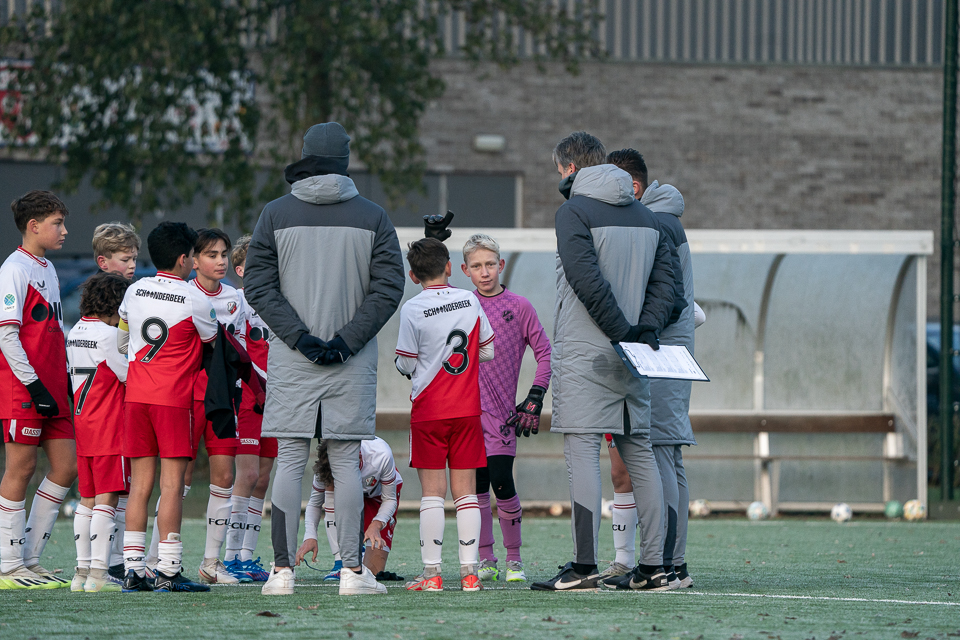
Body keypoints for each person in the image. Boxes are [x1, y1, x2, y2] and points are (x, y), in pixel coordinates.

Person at [244, 121, 405, 596]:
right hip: (349, 361)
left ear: (306, 156)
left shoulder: (274, 213)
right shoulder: (374, 216)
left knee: (291, 460)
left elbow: (257, 285)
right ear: (345, 161)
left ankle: (281, 573)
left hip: (294, 358)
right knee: (346, 461)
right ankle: (353, 573)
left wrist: (299, 337)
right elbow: (389, 287)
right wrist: (346, 340)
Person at [532, 131, 676, 592]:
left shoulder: (572, 212)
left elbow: (585, 280)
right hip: (636, 356)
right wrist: (643, 331)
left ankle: (583, 565)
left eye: (559, 172)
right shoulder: (647, 216)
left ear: (570, 168)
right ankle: (654, 568)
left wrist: (619, 330)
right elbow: (665, 285)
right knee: (641, 456)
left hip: (586, 355)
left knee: (582, 457)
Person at [605, 148, 701, 589]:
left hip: (661, 351)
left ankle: (663, 564)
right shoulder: (666, 219)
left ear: (635, 188)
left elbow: (665, 295)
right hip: (672, 351)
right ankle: (674, 563)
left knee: (660, 450)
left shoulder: (656, 223)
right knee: (670, 454)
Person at [118, 221, 216, 593]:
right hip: (173, 399)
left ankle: (133, 570)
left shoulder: (136, 289)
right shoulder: (195, 298)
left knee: (140, 485)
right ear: (182, 258)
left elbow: (124, 339)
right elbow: (211, 342)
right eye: (192, 255)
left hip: (137, 395)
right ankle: (171, 571)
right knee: (172, 485)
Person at [395, 238, 495, 592]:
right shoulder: (469, 299)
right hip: (466, 409)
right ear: (450, 266)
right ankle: (470, 574)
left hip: (429, 411)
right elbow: (487, 350)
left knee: (432, 495)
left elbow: (405, 362)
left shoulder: (411, 308)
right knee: (466, 494)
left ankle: (432, 574)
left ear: (412, 275)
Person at [459, 233, 551, 583]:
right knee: (477, 485)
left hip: (502, 415)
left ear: (501, 265)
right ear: (466, 271)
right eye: (477, 266)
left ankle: (514, 558)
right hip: (466, 413)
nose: (485, 272)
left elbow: (545, 354)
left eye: (490, 264)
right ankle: (486, 558)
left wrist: (535, 395)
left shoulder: (521, 306)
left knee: (501, 481)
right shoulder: (461, 305)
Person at [0, 190, 75, 589]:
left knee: (66, 467)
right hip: (24, 388)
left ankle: (29, 559)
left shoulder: (46, 267)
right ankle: (7, 566)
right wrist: (34, 384)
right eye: (57, 223)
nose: (64, 231)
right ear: (34, 226)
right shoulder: (14, 268)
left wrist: (63, 380)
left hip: (53, 388)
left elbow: (53, 332)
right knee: (22, 469)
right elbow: (7, 337)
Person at [66, 272, 131, 592]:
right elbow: (128, 374)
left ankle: (80, 573)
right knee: (107, 497)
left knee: (86, 499)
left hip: (84, 423)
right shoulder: (107, 336)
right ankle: (99, 574)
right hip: (108, 425)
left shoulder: (75, 331)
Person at [222, 234, 274, 582]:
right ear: (240, 269)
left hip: (279, 398)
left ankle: (246, 555)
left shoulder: (279, 302)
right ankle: (228, 557)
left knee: (263, 479)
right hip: (249, 396)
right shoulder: (237, 302)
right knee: (248, 475)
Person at [91, 221, 140, 579]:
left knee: (123, 488)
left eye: (135, 258)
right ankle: (101, 565)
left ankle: (113, 561)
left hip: (112, 411)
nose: (132, 265)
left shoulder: (135, 295)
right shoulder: (102, 318)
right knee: (108, 492)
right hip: (107, 413)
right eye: (125, 259)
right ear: (103, 262)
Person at [295, 437, 402, 580]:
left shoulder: (380, 454)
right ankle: (340, 562)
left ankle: (358, 553)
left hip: (377, 496)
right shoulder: (324, 466)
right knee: (330, 491)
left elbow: (389, 499)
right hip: (346, 498)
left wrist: (376, 524)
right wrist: (310, 536)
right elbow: (315, 504)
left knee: (372, 573)